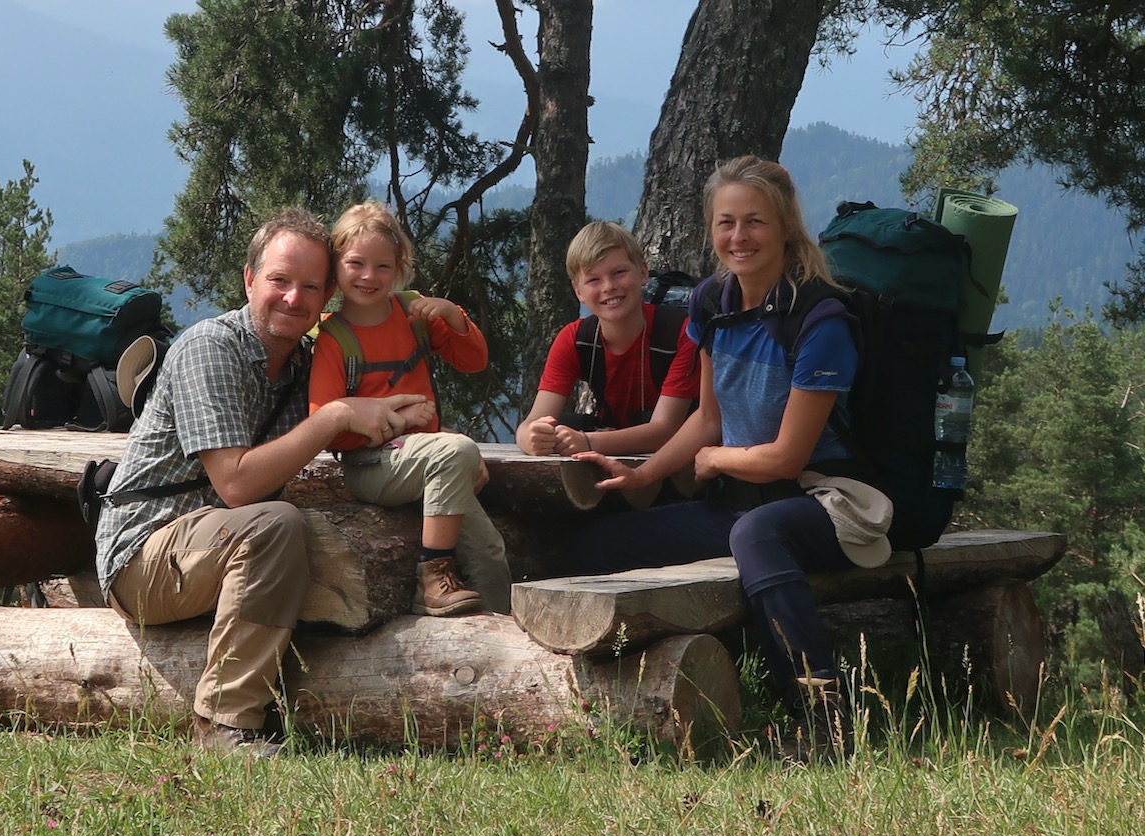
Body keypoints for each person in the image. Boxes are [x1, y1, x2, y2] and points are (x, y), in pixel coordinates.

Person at [567, 156, 892, 761]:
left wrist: (716, 461)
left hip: (825, 500)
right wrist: (642, 474)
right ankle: (598, 707)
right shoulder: (713, 303)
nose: (739, 237)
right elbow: (706, 419)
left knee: (758, 534)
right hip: (745, 504)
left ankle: (824, 719)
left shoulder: (820, 319)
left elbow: (786, 458)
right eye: (726, 223)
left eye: (754, 222)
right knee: (592, 547)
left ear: (786, 226)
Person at [95, 207, 432, 758]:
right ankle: (224, 725)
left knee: (295, 530)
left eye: (310, 287)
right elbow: (236, 486)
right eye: (279, 280)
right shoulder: (210, 348)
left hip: (210, 548)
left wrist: (426, 436)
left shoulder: (306, 363)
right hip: (142, 554)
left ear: (327, 296)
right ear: (249, 279)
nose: (293, 298)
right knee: (275, 524)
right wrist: (335, 416)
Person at [308, 200, 512, 616]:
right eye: (356, 263)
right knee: (456, 450)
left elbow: (474, 361)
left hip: (427, 460)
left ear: (399, 267)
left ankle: (499, 633)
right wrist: (397, 421)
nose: (369, 276)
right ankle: (433, 576)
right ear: (336, 266)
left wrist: (453, 316)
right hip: (370, 467)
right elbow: (325, 427)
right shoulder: (333, 338)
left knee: (489, 553)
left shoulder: (413, 314)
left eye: (382, 266)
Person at [515, 221, 700, 457]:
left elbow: (666, 430)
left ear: (643, 273)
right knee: (563, 425)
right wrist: (530, 438)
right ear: (578, 291)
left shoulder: (682, 333)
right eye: (594, 280)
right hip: (614, 442)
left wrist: (587, 442)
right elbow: (532, 422)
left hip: (682, 461)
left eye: (619, 273)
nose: (609, 287)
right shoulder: (575, 339)